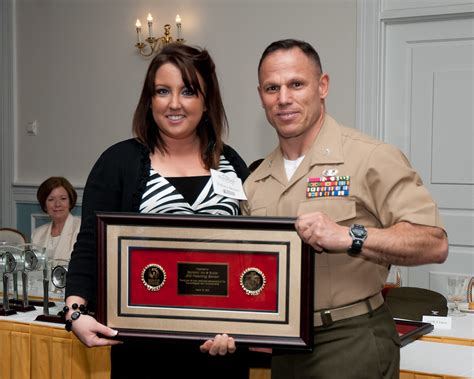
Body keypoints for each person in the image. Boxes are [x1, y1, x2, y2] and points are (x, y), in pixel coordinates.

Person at [241, 39, 449, 378]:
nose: (283, 98)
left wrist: (350, 235)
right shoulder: (256, 181)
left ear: (322, 86)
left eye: (296, 84)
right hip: (285, 346)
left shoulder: (369, 157)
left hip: (351, 338)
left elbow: (434, 243)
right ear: (261, 95)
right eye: (271, 88)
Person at [64, 43, 250, 378]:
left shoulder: (232, 164)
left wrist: (245, 326)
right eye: (163, 91)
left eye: (189, 91)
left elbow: (250, 254)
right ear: (149, 100)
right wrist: (75, 313)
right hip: (145, 349)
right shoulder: (117, 163)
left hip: (221, 348)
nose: (174, 103)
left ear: (207, 102)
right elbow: (89, 246)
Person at [32, 176, 81, 260]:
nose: (57, 204)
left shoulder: (81, 228)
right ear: (44, 205)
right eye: (51, 199)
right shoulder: (37, 234)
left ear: (70, 202)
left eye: (63, 198)